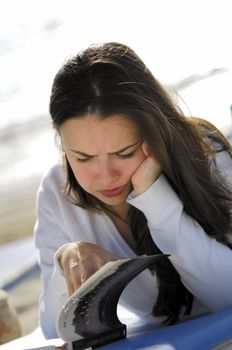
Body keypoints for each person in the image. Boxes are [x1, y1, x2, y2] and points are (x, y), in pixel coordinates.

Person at [34, 42, 232, 339]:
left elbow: (227, 296)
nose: (105, 177)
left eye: (125, 153)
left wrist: (155, 197)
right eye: (83, 158)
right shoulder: (56, 193)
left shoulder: (205, 154)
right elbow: (52, 332)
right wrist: (66, 263)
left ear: (154, 131)